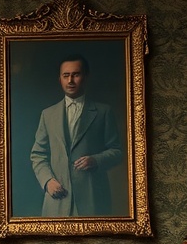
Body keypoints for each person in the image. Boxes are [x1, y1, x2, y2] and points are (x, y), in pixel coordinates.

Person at [30, 54, 122, 217]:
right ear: (60, 79)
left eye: (76, 74)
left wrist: (96, 160)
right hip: (57, 199)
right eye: (66, 75)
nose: (70, 80)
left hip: (93, 200)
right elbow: (38, 154)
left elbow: (117, 151)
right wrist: (48, 182)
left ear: (86, 77)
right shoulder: (47, 114)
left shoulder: (103, 112)